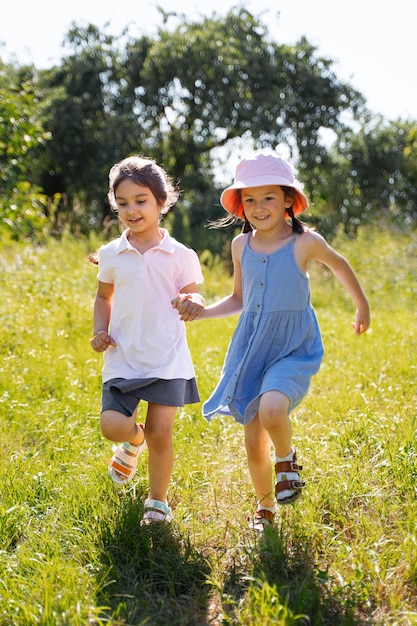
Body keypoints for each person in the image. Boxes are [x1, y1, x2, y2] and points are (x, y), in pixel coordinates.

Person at [173, 151, 370, 531]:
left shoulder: (303, 242)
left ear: (287, 201)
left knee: (273, 411)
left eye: (268, 198)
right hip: (253, 349)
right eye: (249, 199)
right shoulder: (240, 246)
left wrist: (361, 306)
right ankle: (265, 509)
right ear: (240, 205)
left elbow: (339, 263)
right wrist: (202, 311)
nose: (258, 207)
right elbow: (239, 299)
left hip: (292, 347)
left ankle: (287, 460)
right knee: (251, 443)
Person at [90, 155, 205, 524]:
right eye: (122, 203)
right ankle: (132, 441)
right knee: (112, 425)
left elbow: (194, 294)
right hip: (123, 357)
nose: (131, 210)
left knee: (161, 432)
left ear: (161, 201)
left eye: (140, 200)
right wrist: (98, 330)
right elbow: (102, 297)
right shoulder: (111, 253)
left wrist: (192, 302)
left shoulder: (180, 254)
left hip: (166, 358)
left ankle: (157, 502)